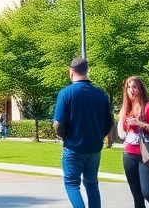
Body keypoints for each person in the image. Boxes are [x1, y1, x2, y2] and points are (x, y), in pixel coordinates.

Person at [53, 57, 113, 208]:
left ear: (71, 72)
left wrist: (63, 135)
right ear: (87, 71)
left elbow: (58, 124)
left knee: (72, 184)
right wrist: (99, 136)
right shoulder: (100, 94)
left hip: (73, 147)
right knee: (92, 184)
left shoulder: (66, 93)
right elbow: (109, 123)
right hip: (94, 149)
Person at [118, 75, 149, 208]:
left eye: (134, 87)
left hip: (146, 154)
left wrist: (140, 123)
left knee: (147, 192)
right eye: (128, 88)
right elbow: (121, 135)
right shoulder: (126, 109)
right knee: (137, 195)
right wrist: (121, 117)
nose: (131, 90)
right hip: (129, 154)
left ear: (141, 89)